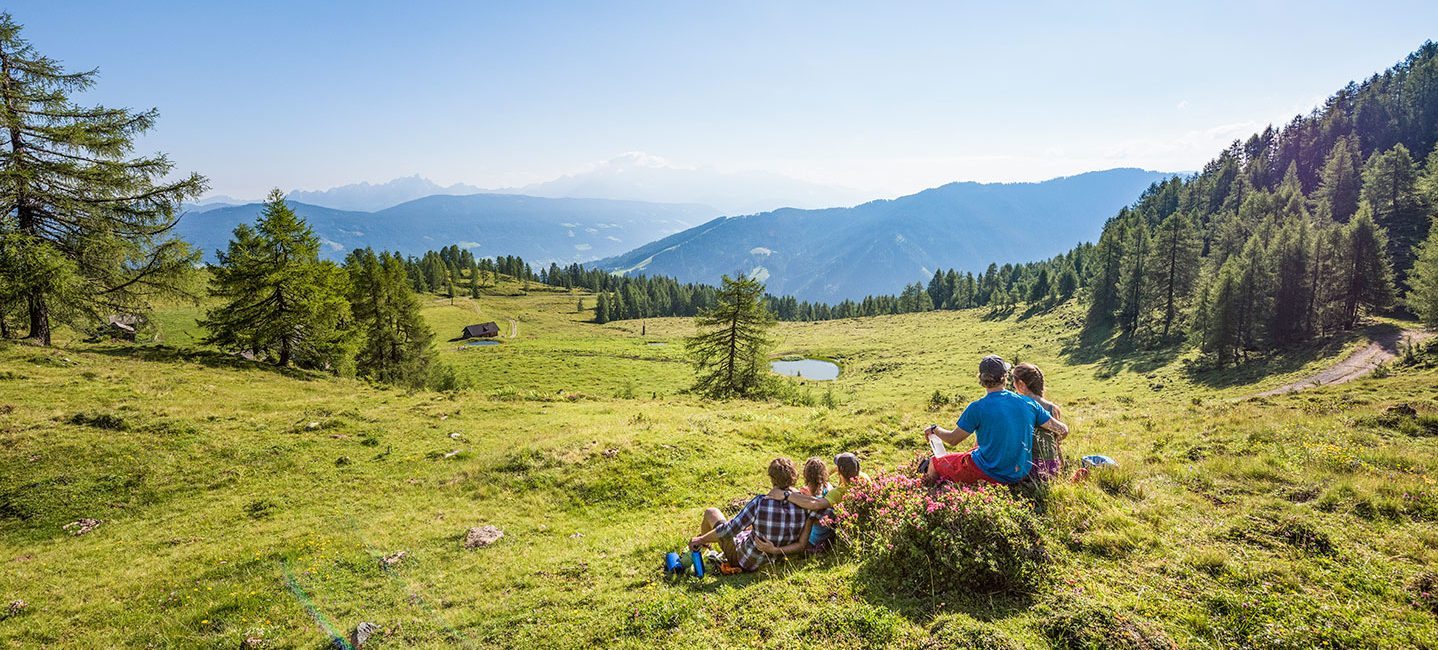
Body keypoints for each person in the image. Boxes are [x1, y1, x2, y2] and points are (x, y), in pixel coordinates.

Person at [922, 355, 1069, 485]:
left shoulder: (976, 407)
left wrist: (935, 429)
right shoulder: (1029, 403)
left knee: (935, 463)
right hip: (1019, 473)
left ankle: (929, 498)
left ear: (981, 379)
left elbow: (953, 440)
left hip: (988, 471)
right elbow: (1062, 430)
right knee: (972, 452)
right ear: (1005, 377)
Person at [689, 457, 813, 573]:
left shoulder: (760, 502)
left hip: (747, 561)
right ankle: (706, 547)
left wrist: (701, 539)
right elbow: (801, 545)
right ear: (794, 477)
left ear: (772, 479)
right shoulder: (806, 504)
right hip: (779, 560)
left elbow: (728, 531)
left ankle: (702, 548)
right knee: (748, 527)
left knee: (711, 512)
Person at [757, 452, 869, 555]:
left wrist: (787, 495)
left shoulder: (838, 493)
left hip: (811, 539)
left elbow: (816, 504)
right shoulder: (864, 478)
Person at [1013, 362, 1066, 480]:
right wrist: (1061, 465)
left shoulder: (1021, 405)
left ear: (1021, 384)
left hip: (1029, 467)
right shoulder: (1052, 408)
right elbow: (1056, 442)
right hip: (1052, 466)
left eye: (1014, 383)